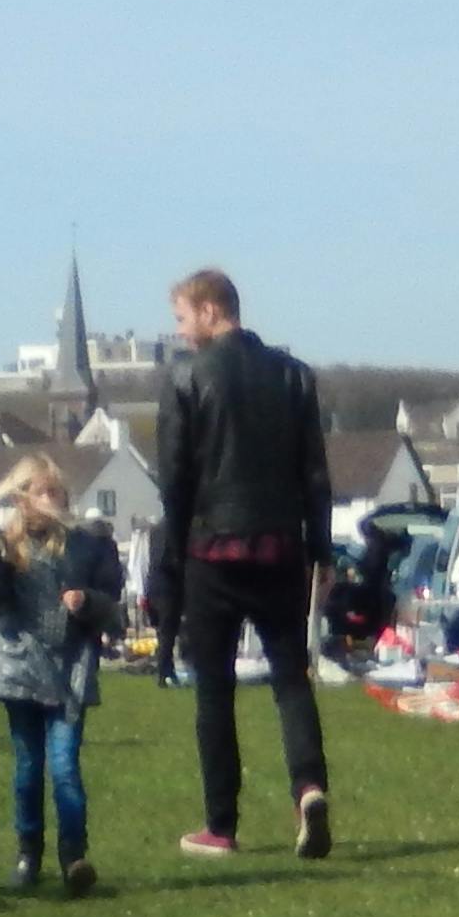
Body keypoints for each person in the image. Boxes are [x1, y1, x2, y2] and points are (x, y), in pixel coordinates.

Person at [148, 267, 337, 858]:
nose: (179, 333)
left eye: (181, 318)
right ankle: (308, 788)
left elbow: (175, 479)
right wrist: (322, 550)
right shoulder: (292, 375)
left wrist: (170, 559)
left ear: (209, 310)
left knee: (215, 691)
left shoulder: (185, 377)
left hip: (211, 548)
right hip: (281, 545)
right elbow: (314, 473)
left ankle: (221, 824)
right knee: (290, 680)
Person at [0, 453, 123, 893]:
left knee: (65, 765)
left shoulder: (86, 543)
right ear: (23, 497)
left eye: (57, 492)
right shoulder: (5, 547)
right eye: (42, 492)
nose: (51, 500)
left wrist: (87, 601)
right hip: (20, 665)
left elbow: (112, 603)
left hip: (70, 668)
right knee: (28, 765)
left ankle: (74, 856)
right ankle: (28, 853)